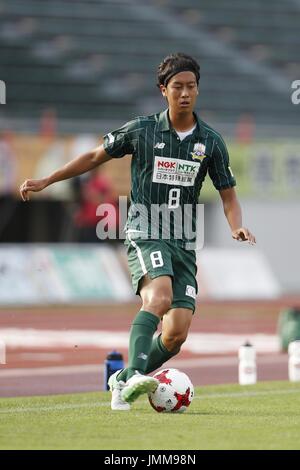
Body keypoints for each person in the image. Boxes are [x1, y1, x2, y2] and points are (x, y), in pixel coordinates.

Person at [20, 53, 256, 411]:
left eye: (191, 86)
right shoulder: (142, 130)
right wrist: (48, 179)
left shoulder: (210, 142)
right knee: (158, 298)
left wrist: (236, 225)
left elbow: (228, 196)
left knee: (176, 333)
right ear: (164, 90)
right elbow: (95, 156)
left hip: (184, 239)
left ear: (198, 89)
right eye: (177, 87)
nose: (185, 94)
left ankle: (124, 378)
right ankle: (130, 378)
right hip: (146, 226)